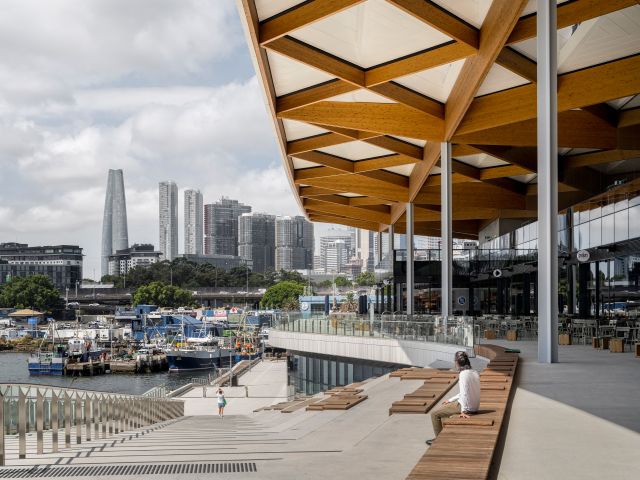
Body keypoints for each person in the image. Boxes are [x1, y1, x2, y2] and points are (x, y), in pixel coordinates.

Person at [426, 351, 480, 445]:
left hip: (466, 406)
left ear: (457, 362)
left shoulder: (463, 374)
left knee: (434, 414)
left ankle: (439, 441)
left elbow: (464, 394)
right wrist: (450, 400)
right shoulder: (474, 372)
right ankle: (444, 436)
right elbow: (466, 392)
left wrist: (463, 411)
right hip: (474, 406)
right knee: (444, 409)